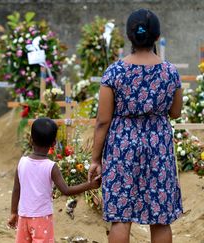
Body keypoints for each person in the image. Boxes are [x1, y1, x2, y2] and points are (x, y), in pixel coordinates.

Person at [88, 9, 183, 243]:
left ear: (130, 37)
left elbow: (103, 121)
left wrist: (95, 160)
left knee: (121, 216)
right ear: (156, 36)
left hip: (122, 147)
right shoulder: (170, 72)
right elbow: (176, 112)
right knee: (160, 218)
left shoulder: (114, 72)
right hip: (158, 147)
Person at [8, 118, 101, 242]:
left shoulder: (22, 162)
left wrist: (14, 212)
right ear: (53, 143)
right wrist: (90, 185)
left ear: (31, 140)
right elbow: (66, 190)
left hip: (23, 216)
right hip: (42, 218)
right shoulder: (51, 167)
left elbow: (16, 189)